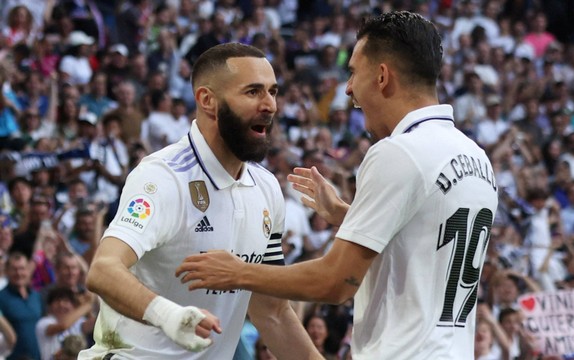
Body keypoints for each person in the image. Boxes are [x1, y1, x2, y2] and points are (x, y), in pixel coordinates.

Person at [177, 11, 499, 359]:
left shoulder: (399, 152)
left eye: (353, 72)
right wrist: (348, 215)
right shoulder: (475, 156)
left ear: (381, 76)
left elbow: (335, 283)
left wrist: (237, 272)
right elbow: (422, 241)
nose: (347, 89)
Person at [78, 43, 321, 359]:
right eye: (253, 92)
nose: (270, 105)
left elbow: (271, 312)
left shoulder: (267, 187)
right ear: (208, 100)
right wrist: (169, 316)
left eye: (273, 92)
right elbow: (103, 269)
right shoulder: (163, 177)